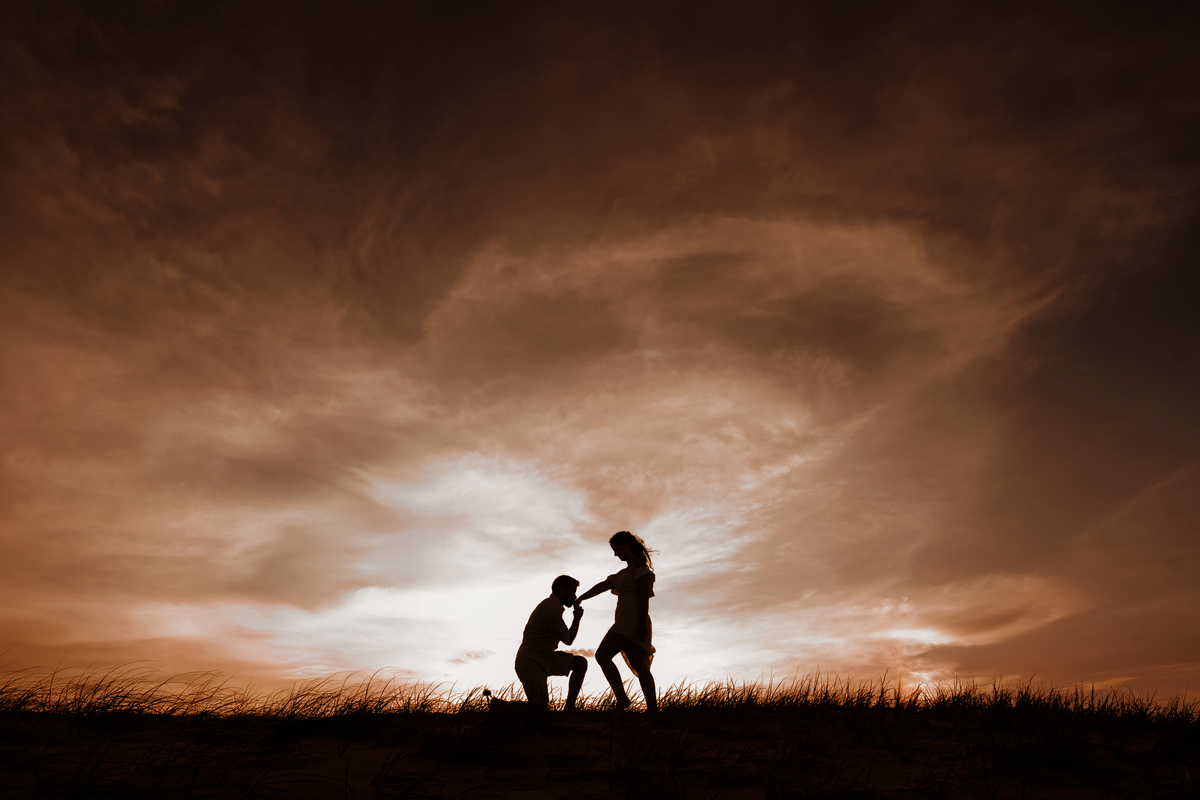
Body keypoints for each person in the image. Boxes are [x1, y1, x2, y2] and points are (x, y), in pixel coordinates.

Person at [577, 531, 658, 713]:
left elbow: (644, 599)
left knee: (602, 655)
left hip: (631, 622)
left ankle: (622, 698)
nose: (615, 554)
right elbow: (602, 586)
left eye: (617, 549)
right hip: (625, 621)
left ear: (627, 545)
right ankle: (652, 710)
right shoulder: (623, 573)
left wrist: (639, 624)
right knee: (640, 666)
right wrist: (581, 597)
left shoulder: (642, 572)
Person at [514, 575, 589, 711]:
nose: (574, 597)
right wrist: (577, 618)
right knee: (540, 708)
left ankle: (570, 707)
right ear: (561, 591)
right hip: (531, 663)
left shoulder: (552, 607)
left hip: (544, 659)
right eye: (572, 592)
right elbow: (568, 639)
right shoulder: (551, 609)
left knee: (580, 663)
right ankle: (500, 707)